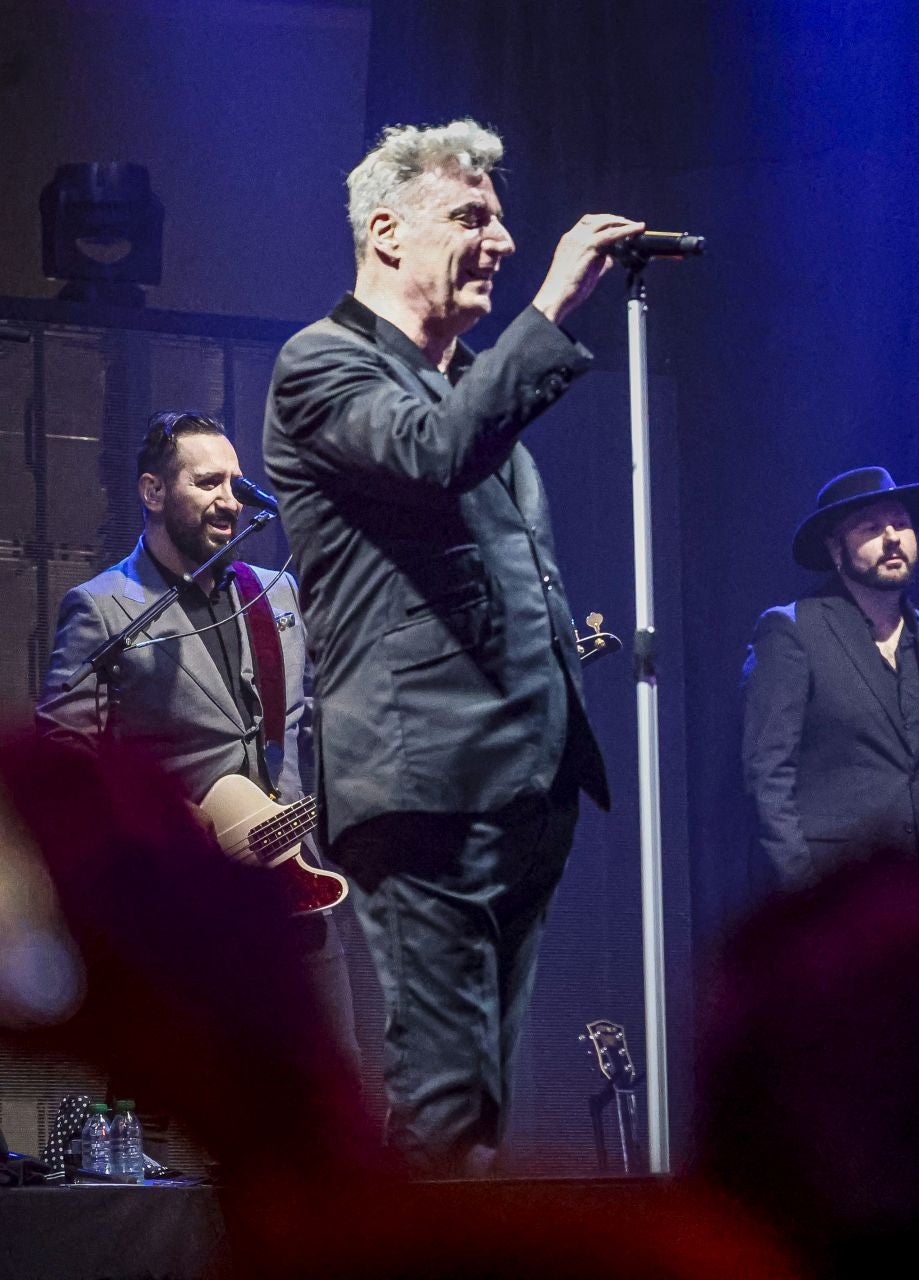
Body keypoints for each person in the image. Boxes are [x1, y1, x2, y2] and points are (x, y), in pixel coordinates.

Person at [261, 118, 634, 1174]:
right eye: (474, 216)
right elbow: (434, 454)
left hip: (519, 786)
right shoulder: (319, 364)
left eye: (503, 220)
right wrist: (555, 306)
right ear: (386, 231)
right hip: (424, 786)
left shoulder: (465, 381)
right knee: (443, 1097)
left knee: (473, 1104)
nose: (505, 241)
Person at [35, 411, 355, 1058]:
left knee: (329, 1105)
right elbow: (62, 761)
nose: (229, 500)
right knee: (188, 1130)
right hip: (180, 913)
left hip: (292, 899)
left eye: (237, 484)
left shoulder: (278, 595)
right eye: (208, 482)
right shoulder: (104, 607)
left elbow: (330, 714)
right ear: (153, 492)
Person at [742, 467, 919, 885]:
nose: (892, 537)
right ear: (837, 551)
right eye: (871, 527)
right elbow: (768, 776)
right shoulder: (792, 630)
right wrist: (803, 894)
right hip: (839, 892)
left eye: (901, 523)